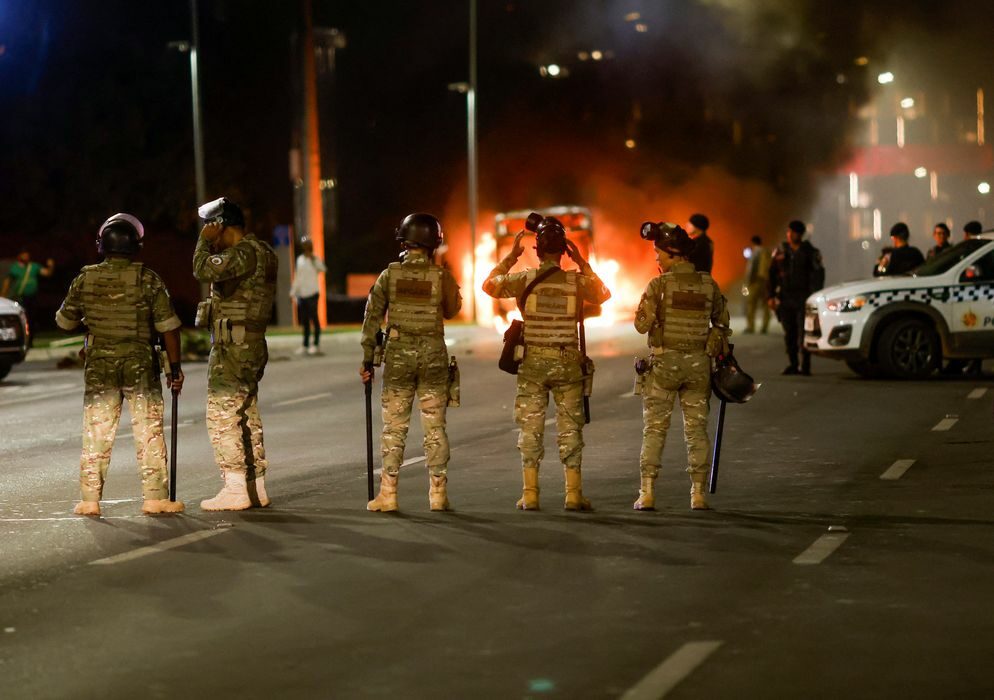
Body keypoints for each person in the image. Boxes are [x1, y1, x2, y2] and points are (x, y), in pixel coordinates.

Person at [55, 213, 185, 516]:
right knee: (148, 430)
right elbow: (168, 327)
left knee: (97, 431)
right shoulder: (149, 279)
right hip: (139, 363)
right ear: (136, 247)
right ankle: (155, 499)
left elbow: (64, 322)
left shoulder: (85, 278)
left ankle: (89, 500)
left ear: (102, 246)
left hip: (100, 364)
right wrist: (174, 369)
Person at [483, 216, 611, 511]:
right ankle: (574, 494)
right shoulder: (576, 281)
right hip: (567, 363)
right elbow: (603, 294)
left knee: (530, 428)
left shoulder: (525, 278)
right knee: (570, 428)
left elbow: (489, 285)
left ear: (537, 250)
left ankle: (530, 494)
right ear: (563, 250)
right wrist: (582, 262)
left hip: (533, 364)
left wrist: (511, 257)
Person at [360, 213, 462, 512]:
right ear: (434, 244)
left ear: (404, 241)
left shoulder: (389, 275)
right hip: (433, 356)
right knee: (435, 427)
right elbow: (453, 310)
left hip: (399, 357)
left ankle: (388, 495)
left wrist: (368, 359)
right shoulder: (441, 276)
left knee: (394, 427)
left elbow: (372, 319)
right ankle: (438, 495)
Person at [634, 222, 730, 511]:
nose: (656, 259)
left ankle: (647, 493)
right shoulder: (708, 284)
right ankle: (698, 494)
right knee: (697, 430)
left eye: (659, 253)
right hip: (699, 366)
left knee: (654, 430)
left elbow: (641, 325)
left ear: (674, 255)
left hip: (664, 367)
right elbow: (723, 324)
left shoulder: (659, 285)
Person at [193, 197, 277, 511]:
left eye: (208, 225)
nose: (205, 230)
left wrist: (203, 244)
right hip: (251, 342)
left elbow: (201, 270)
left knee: (222, 415)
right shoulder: (263, 252)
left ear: (220, 225)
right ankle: (255, 487)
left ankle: (235, 487)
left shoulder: (242, 254)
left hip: (234, 346)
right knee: (247, 414)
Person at [767, 220, 824, 376]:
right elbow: (771, 274)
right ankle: (793, 364)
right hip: (785, 298)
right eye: (789, 231)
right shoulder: (780, 251)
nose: (790, 235)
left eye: (794, 232)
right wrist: (771, 296)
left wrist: (814, 295)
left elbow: (818, 275)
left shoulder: (810, 252)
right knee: (789, 333)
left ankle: (805, 365)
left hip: (803, 298)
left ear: (800, 234)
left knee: (803, 333)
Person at [290, 238, 326, 355]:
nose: (306, 247)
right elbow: (298, 277)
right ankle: (305, 345)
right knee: (305, 321)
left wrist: (313, 258)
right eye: (304, 245)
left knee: (314, 319)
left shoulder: (315, 258)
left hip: (313, 293)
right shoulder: (300, 259)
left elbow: (322, 269)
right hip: (302, 294)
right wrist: (293, 292)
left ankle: (316, 344)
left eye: (307, 245)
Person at [2, 250, 54, 327]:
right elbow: (7, 281)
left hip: (33, 297)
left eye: (27, 255)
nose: (26, 257)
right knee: (23, 314)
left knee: (32, 315)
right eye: (24, 255)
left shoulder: (34, 266)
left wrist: (51, 266)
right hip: (21, 297)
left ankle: (32, 329)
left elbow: (47, 273)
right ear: (19, 256)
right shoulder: (15, 267)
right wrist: (3, 294)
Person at [743, 235, 772, 334]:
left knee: (751, 304)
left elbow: (751, 270)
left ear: (753, 242)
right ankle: (764, 327)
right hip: (765, 282)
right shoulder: (766, 252)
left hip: (755, 282)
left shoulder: (754, 253)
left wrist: (747, 283)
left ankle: (751, 327)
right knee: (765, 305)